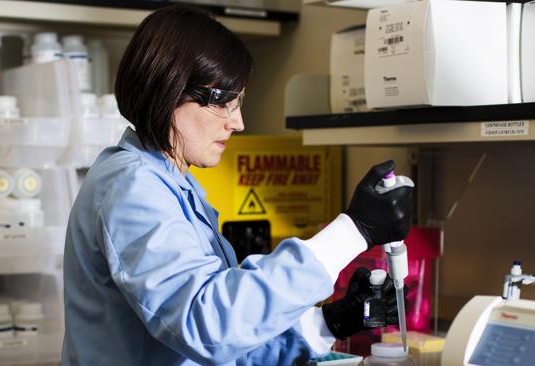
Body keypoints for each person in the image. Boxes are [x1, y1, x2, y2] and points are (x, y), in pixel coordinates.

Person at [62, 4, 413, 366]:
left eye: (238, 102)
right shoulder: (132, 187)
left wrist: (331, 321)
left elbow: (227, 344)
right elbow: (207, 326)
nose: (238, 122)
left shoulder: (174, 185)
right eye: (224, 103)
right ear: (168, 91)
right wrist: (352, 232)